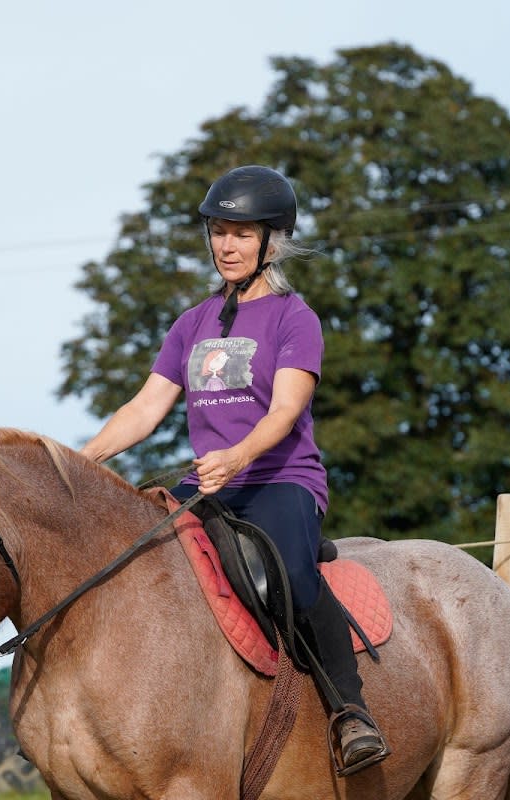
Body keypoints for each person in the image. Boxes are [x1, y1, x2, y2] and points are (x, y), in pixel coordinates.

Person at [78, 165, 389, 774]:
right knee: (137, 565)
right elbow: (144, 408)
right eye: (219, 232)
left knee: (294, 576)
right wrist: (80, 461)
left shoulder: (294, 319)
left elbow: (285, 411)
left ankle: (350, 711)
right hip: (207, 485)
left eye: (242, 234)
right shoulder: (191, 324)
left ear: (272, 240)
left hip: (280, 479)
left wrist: (239, 455)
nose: (226, 246)